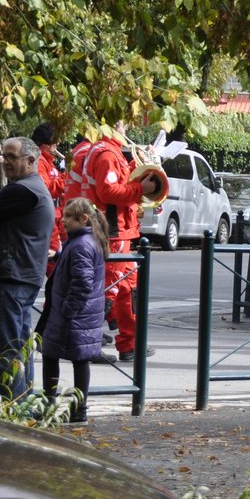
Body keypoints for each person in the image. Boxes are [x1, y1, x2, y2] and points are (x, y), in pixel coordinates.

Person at [0, 137, 55, 398]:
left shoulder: (20, 191)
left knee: (7, 348)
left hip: (10, 274)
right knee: (18, 344)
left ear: (30, 161)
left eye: (11, 157)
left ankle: (15, 407)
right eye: (3, 156)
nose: (4, 161)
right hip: (21, 274)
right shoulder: (33, 188)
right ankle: (23, 403)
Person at [86, 125, 163, 362]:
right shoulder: (107, 153)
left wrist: (140, 168)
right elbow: (108, 191)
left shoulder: (111, 151)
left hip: (122, 231)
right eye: (123, 122)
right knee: (109, 289)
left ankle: (129, 345)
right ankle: (90, 345)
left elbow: (119, 180)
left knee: (128, 291)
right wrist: (141, 188)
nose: (127, 126)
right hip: (114, 231)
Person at [42, 198, 109, 423]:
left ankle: (51, 405)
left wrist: (67, 310)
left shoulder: (81, 244)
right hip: (80, 313)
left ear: (84, 219)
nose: (64, 220)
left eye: (69, 216)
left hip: (73, 314)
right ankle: (77, 409)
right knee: (76, 359)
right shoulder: (86, 240)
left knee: (54, 355)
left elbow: (82, 282)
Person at [31, 122, 67, 271]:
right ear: (47, 144)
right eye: (55, 143)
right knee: (55, 269)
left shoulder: (48, 162)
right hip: (47, 221)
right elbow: (45, 189)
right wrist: (67, 177)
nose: (57, 146)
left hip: (55, 219)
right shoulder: (39, 162)